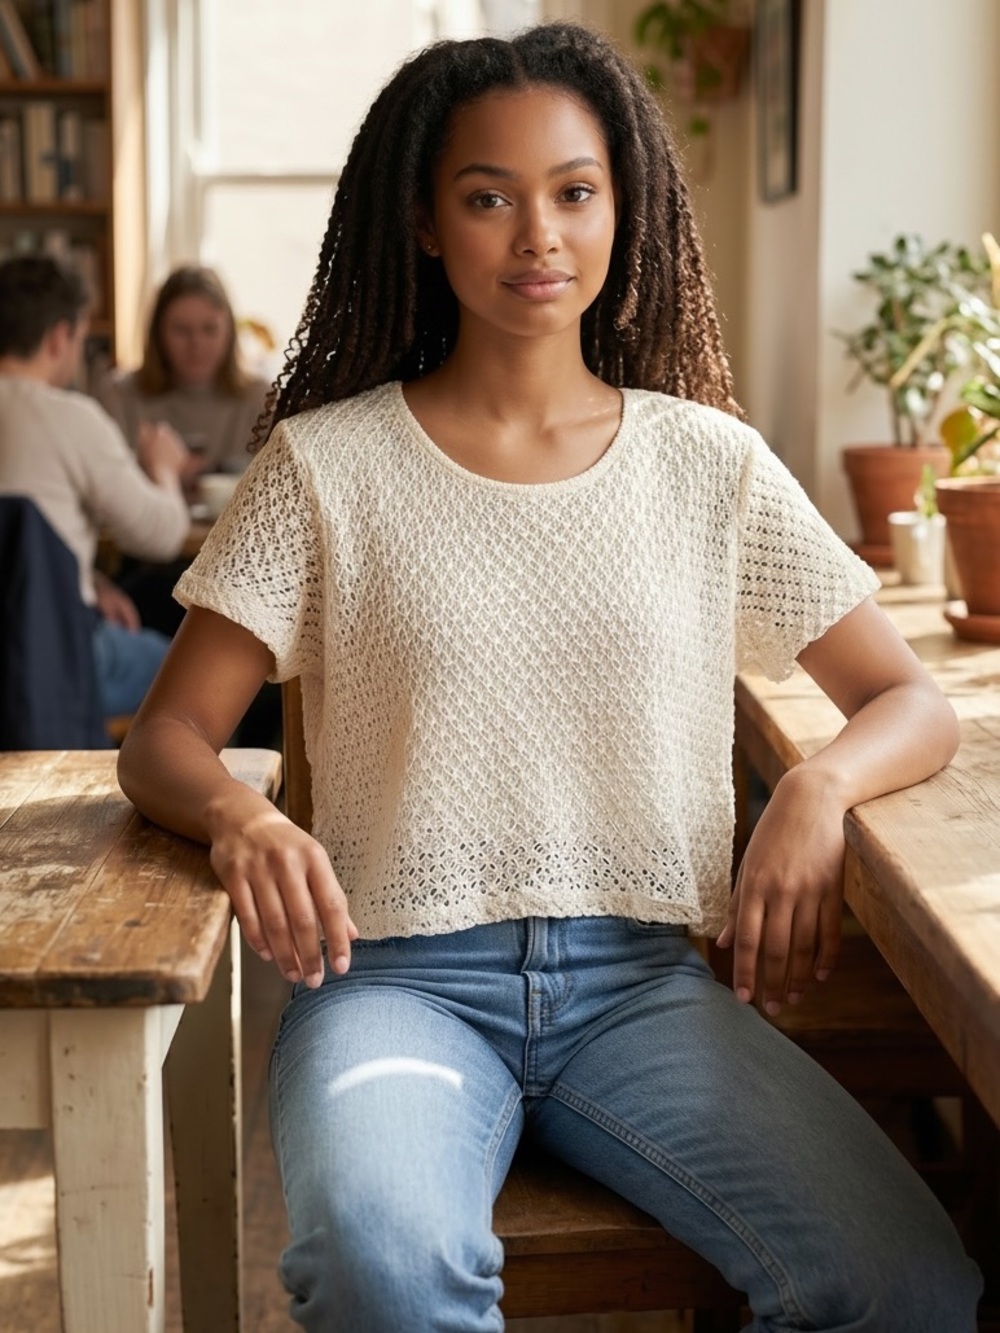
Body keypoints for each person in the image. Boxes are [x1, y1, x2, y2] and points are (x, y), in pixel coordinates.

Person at [117, 22, 981, 1332]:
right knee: (381, 1273)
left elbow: (910, 700)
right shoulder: (324, 469)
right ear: (424, 220)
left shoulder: (711, 465)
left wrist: (813, 792)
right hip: (390, 982)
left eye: (574, 191)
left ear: (623, 209)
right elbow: (165, 736)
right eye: (488, 197)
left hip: (643, 989)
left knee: (906, 1285)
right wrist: (244, 812)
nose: (538, 236)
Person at [0, 254, 190, 721]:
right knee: (195, 676)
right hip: (49, 655)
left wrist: (90, 579)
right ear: (60, 336)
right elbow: (161, 535)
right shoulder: (70, 417)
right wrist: (163, 468)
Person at [96, 264, 270, 477]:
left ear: (229, 332)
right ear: (158, 333)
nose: (196, 344)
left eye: (209, 329)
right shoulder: (121, 397)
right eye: (181, 330)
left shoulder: (261, 400)